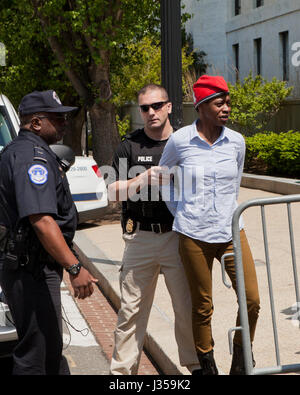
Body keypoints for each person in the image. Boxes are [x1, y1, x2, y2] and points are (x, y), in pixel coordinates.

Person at [159, 75, 260, 375]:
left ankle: (240, 361)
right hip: (193, 234)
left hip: (231, 230)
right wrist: (180, 211)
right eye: (219, 103)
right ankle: (207, 366)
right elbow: (164, 179)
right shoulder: (180, 141)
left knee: (251, 300)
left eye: (228, 102)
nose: (226, 108)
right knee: (203, 306)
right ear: (201, 107)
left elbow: (236, 180)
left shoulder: (237, 142)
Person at [0, 90, 98, 375]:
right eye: (57, 118)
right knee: (37, 355)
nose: (65, 123)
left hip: (32, 265)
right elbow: (41, 220)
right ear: (36, 122)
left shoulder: (26, 152)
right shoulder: (32, 158)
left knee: (48, 350)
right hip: (30, 270)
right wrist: (75, 266)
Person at [108, 84, 199, 375]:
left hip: (178, 236)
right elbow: (112, 192)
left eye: (157, 106)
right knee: (130, 312)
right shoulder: (130, 146)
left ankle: (196, 367)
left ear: (169, 106)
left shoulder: (186, 142)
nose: (151, 113)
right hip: (140, 238)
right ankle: (122, 374)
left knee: (186, 310)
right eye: (145, 108)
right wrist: (143, 178)